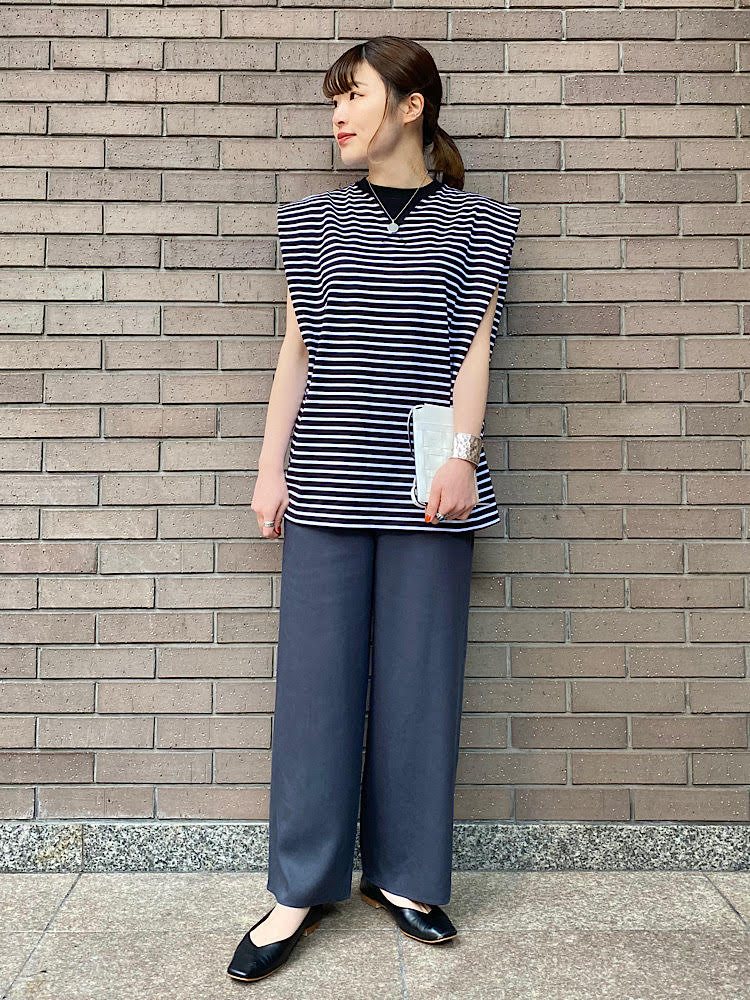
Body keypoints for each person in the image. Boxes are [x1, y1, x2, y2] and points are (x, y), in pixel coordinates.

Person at [227, 35, 521, 984]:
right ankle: (298, 889)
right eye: (334, 101)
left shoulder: (480, 224)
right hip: (323, 479)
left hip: (429, 484)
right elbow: (296, 353)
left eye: (353, 96)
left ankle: (404, 877)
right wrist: (270, 467)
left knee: (419, 684)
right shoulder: (311, 220)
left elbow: (473, 352)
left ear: (411, 105)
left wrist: (462, 460)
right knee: (315, 692)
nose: (339, 115)